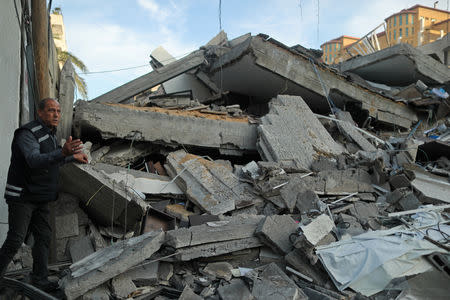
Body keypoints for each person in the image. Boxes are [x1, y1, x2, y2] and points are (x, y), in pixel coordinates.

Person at [0, 98, 88, 292]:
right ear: (39, 113)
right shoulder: (27, 133)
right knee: (15, 240)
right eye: (51, 110)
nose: (56, 114)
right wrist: (63, 152)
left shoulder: (49, 135)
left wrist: (71, 157)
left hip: (41, 197)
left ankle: (40, 279)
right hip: (23, 196)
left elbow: (51, 161)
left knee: (44, 237)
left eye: (58, 111)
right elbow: (34, 160)